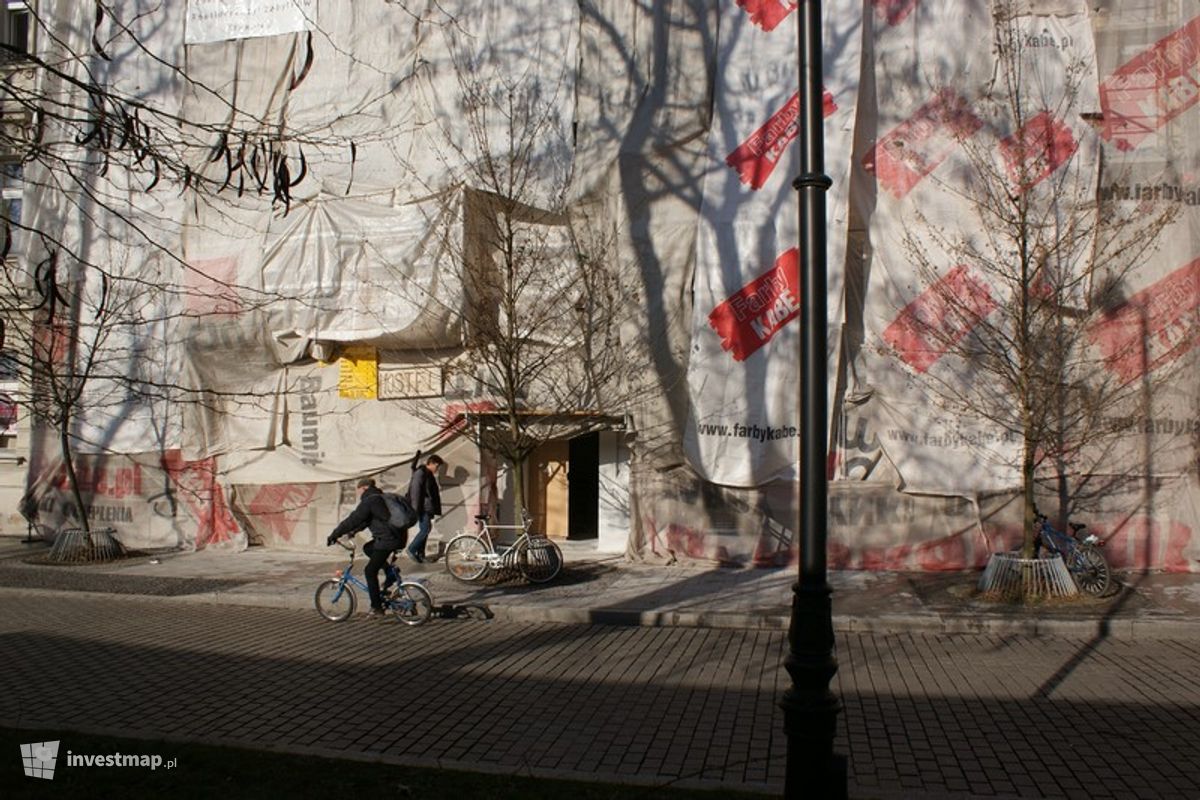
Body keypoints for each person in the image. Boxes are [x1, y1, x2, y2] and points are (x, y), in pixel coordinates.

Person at [326, 477, 406, 617]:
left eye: (358, 490)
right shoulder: (380, 497)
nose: (358, 494)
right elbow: (367, 520)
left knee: (369, 571)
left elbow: (354, 519)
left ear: (364, 487)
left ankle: (376, 607)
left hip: (388, 540)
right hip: (397, 537)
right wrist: (353, 532)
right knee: (368, 548)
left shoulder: (369, 500)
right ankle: (390, 573)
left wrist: (335, 534)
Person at [405, 453, 443, 563]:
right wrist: (416, 509)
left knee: (426, 530)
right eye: (437, 466)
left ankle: (421, 554)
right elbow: (415, 492)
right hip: (422, 507)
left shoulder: (428, 474)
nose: (437, 469)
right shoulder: (420, 473)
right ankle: (412, 549)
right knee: (425, 529)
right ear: (431, 463)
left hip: (427, 506)